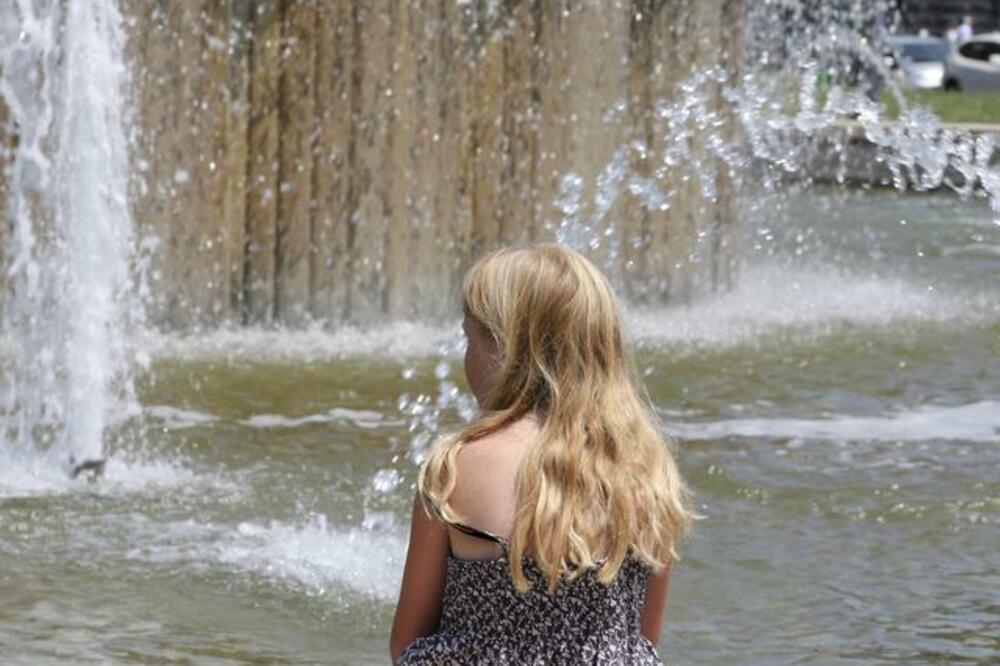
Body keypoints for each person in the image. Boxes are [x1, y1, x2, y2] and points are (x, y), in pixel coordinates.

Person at [389, 243, 696, 665]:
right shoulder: (645, 473)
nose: (466, 355)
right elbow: (642, 642)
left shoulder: (455, 467)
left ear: (503, 348)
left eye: (469, 338)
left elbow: (407, 645)